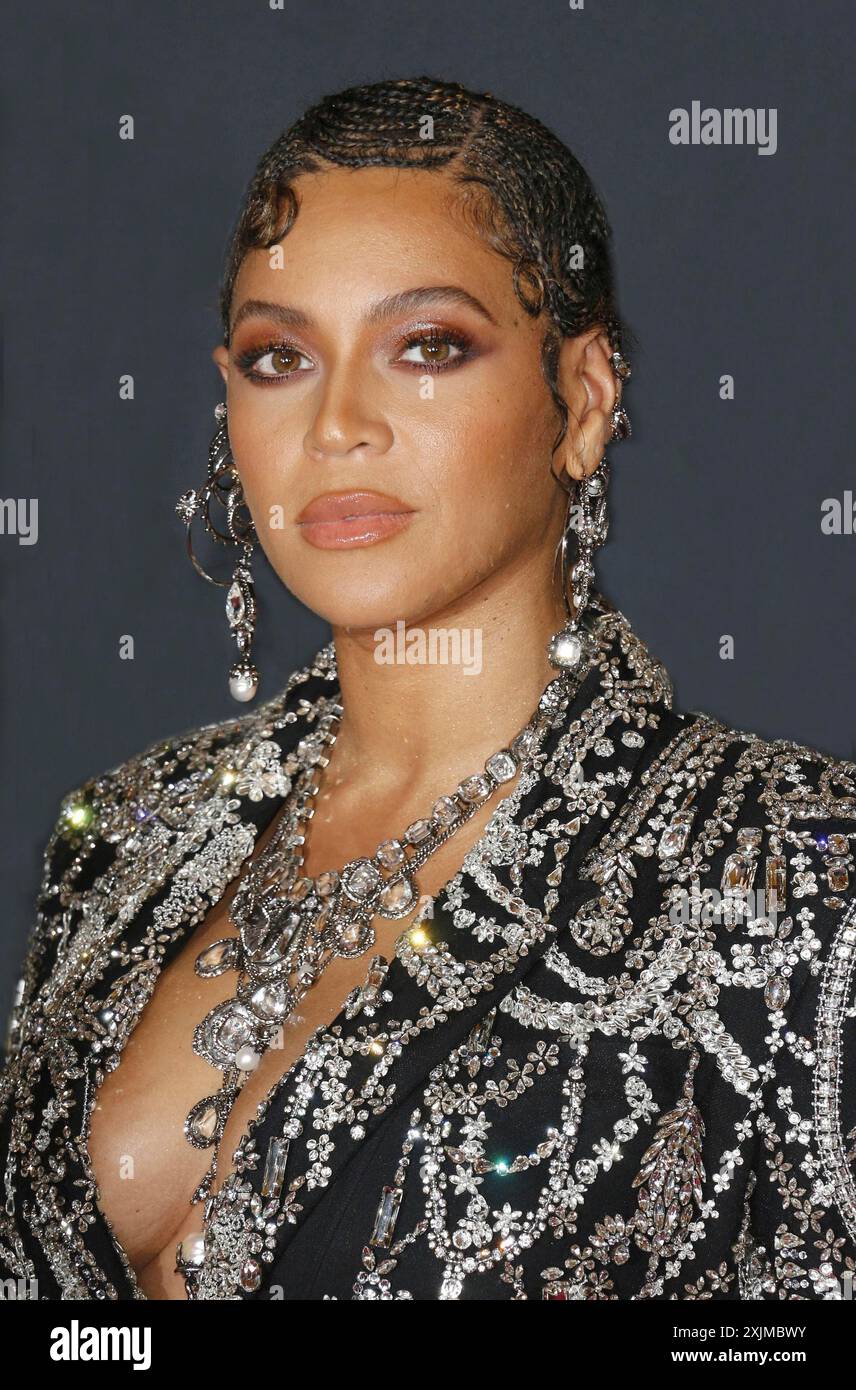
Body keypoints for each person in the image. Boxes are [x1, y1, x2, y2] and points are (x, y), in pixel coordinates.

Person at [1, 76, 854, 1302]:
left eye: (428, 346)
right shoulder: (121, 839)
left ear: (585, 398)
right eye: (278, 356)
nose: (339, 424)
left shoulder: (797, 882)